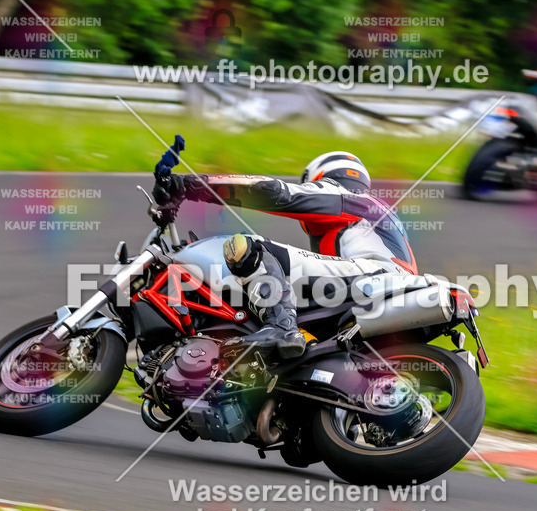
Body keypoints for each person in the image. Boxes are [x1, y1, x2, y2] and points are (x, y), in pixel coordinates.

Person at [153, 152, 416, 359]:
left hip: (379, 276)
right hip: (378, 285)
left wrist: (188, 186)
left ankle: (281, 329)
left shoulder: (344, 195)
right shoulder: (368, 219)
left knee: (251, 247)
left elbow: (274, 193)